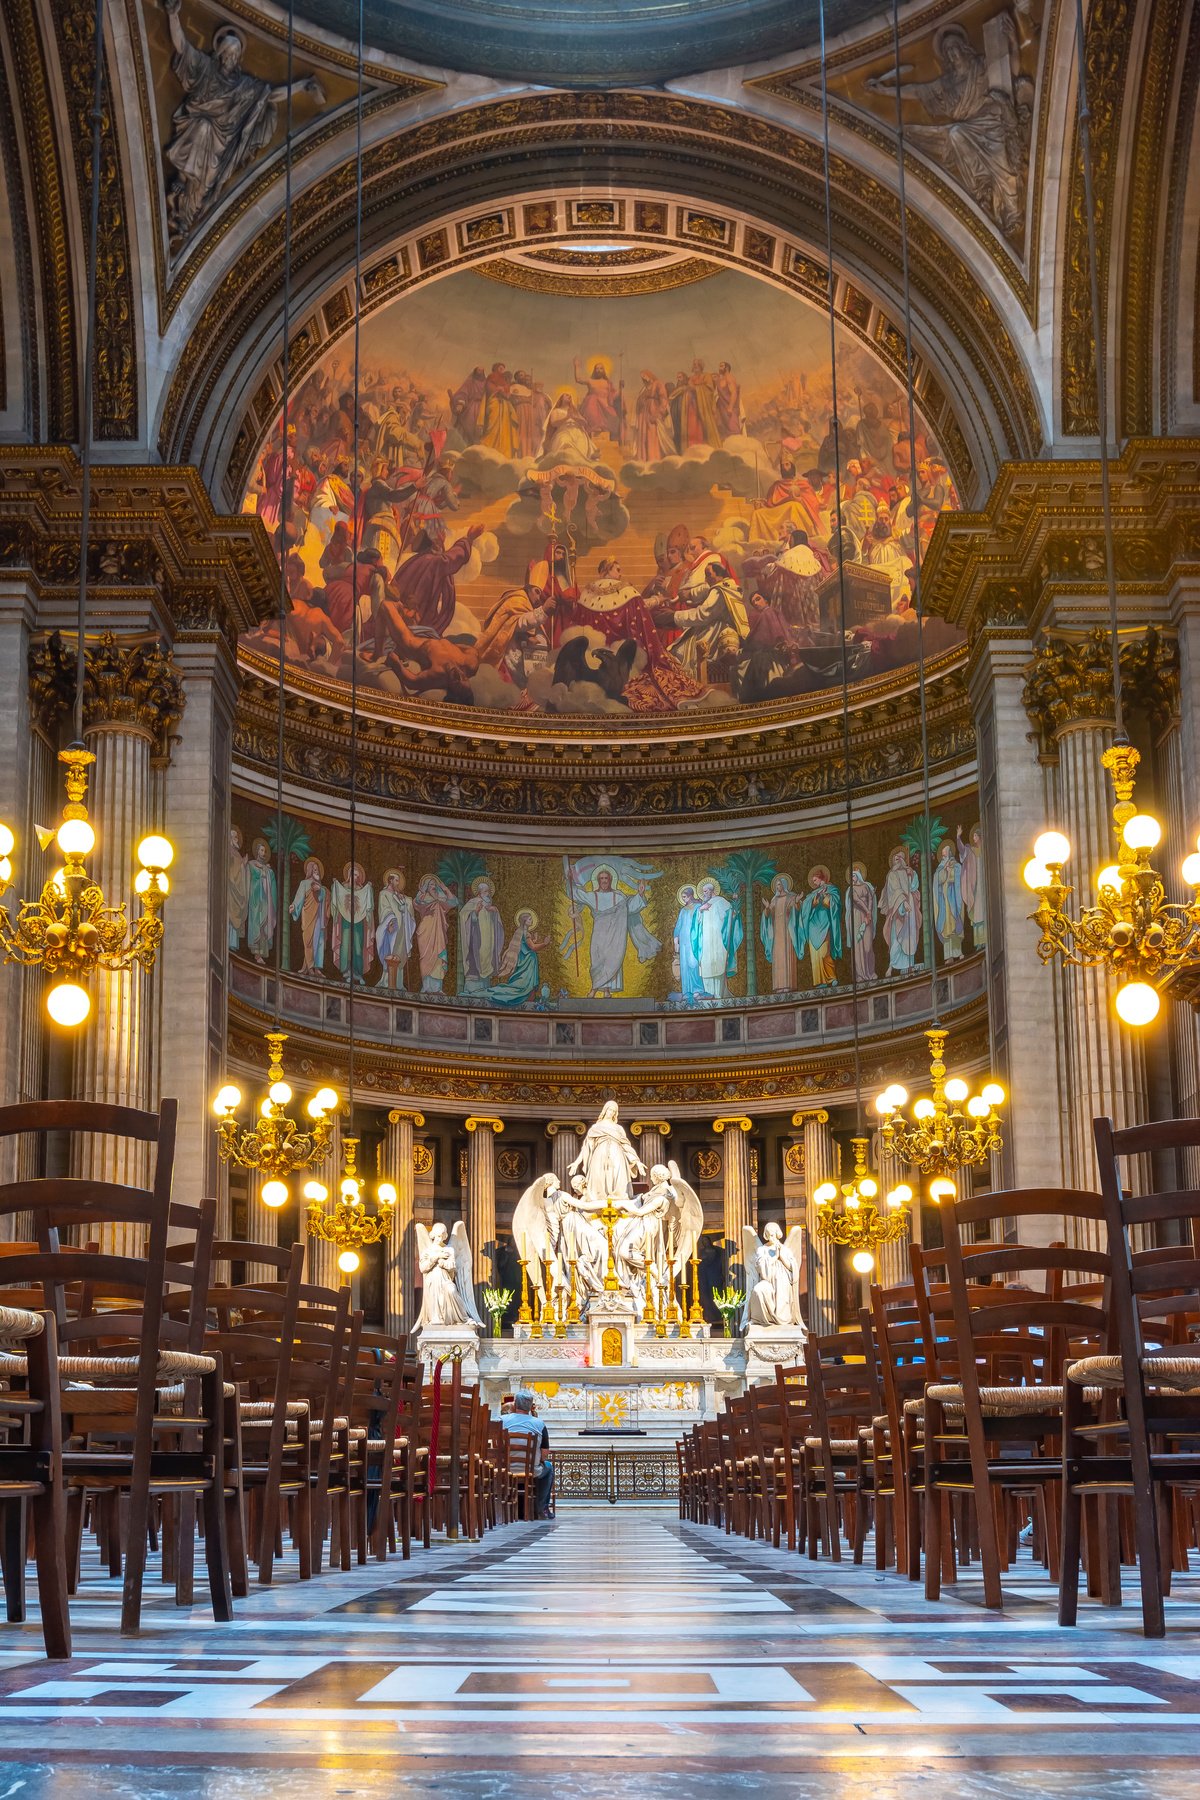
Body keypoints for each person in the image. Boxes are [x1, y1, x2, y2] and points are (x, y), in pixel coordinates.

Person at [500, 1391, 554, 1519]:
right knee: (549, 1467)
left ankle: (502, 1508)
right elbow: (544, 1454)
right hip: (531, 1471)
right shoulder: (539, 1424)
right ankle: (541, 1508)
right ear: (530, 1407)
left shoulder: (501, 1420)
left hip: (505, 1469)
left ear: (514, 1405)